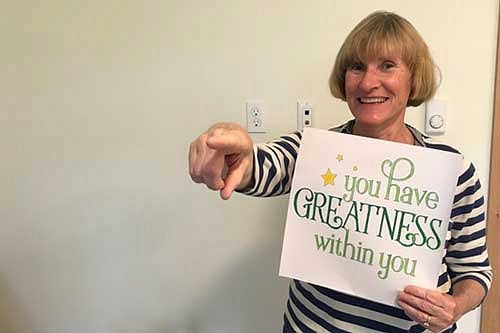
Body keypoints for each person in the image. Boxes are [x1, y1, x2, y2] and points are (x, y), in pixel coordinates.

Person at [188, 11, 492, 333]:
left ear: (414, 77)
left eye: (387, 65)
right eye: (356, 66)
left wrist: (455, 306)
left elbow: (475, 272)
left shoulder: (453, 171)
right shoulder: (316, 150)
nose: (367, 82)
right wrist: (233, 153)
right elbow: (262, 166)